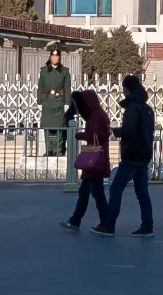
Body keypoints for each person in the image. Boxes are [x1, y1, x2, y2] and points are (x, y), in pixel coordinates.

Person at [98, 75, 156, 237]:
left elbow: (130, 131)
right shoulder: (147, 109)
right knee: (142, 192)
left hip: (131, 155)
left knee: (116, 188)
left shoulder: (132, 108)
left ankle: (109, 225)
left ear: (126, 90)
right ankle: (147, 225)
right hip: (144, 155)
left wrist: (116, 131)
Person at [63, 87, 111, 231]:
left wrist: (80, 135)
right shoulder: (98, 115)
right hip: (95, 159)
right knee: (85, 193)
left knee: (97, 194)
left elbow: (96, 137)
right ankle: (75, 220)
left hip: (95, 161)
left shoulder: (96, 117)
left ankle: (106, 223)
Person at [37, 50, 72, 159]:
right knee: (47, 126)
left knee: (58, 126)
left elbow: (67, 88)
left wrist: (67, 102)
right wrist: (39, 101)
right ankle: (49, 149)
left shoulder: (65, 71)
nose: (55, 58)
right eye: (53, 56)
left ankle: (58, 150)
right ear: (50, 57)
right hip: (47, 102)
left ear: (59, 58)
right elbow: (40, 87)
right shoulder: (44, 71)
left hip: (59, 102)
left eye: (57, 56)